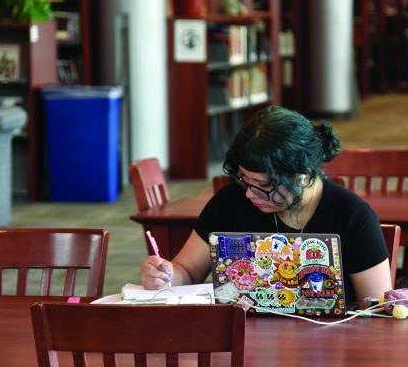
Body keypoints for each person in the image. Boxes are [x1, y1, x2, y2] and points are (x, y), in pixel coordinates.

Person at [141, 105, 392, 304]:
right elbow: (187, 271)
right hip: (241, 346)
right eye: (244, 180)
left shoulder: (351, 217)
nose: (250, 194)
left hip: (326, 352)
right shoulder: (229, 202)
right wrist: (164, 276)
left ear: (302, 174)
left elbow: (378, 307)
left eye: (263, 185)